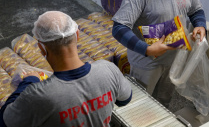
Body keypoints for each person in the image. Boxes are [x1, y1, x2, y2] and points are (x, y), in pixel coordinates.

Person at [112, 0, 206, 108]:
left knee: (163, 101)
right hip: (147, 62)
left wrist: (200, 25)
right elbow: (119, 28)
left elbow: (195, 10)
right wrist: (147, 49)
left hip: (174, 58)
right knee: (140, 104)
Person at [0, 11, 132, 127]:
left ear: (41, 48)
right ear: (78, 35)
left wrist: (28, 82)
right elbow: (125, 99)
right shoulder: (107, 69)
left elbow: (5, 121)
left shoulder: (36, 95)